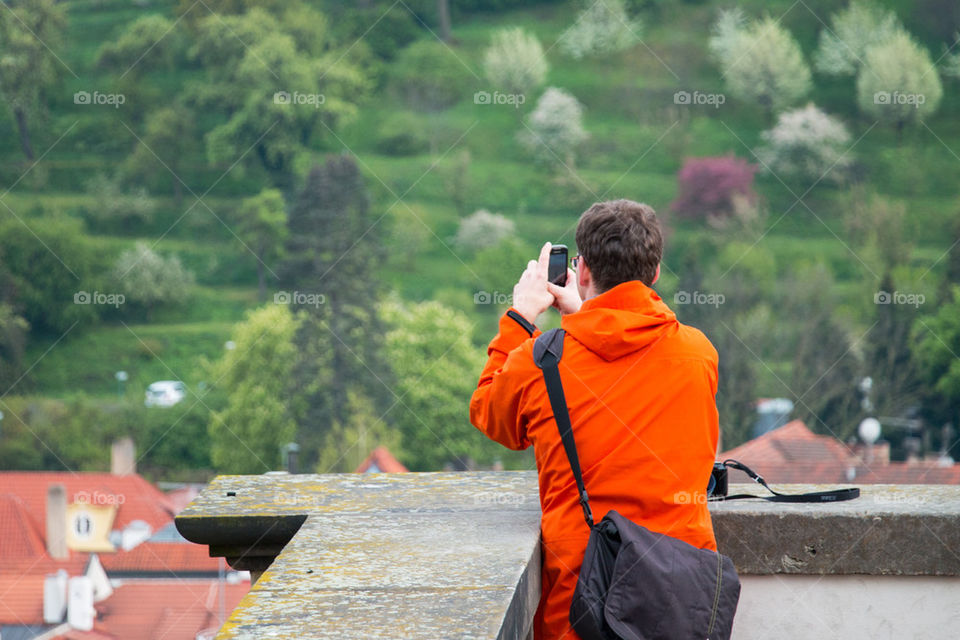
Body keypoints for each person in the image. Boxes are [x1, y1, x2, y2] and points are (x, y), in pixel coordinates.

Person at [469, 199, 719, 640]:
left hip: (582, 604)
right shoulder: (698, 353)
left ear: (582, 271)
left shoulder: (540, 361)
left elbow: (491, 416)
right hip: (681, 596)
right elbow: (626, 370)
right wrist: (582, 315)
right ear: (655, 271)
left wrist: (521, 317)